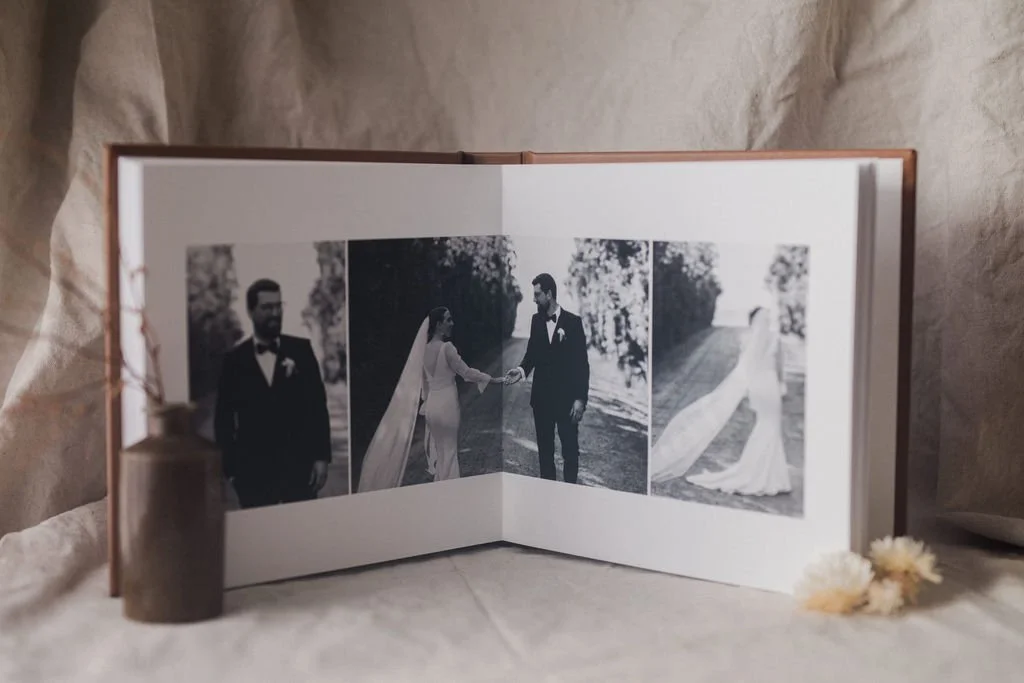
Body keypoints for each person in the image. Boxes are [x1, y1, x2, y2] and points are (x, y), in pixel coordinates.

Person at [214, 278, 332, 508]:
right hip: (252, 473)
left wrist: (321, 457)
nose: (275, 313)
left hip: (299, 469)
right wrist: (232, 471)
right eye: (267, 307)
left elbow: (317, 406)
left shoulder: (301, 351)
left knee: (302, 533)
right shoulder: (234, 361)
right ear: (251, 311)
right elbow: (224, 419)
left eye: (279, 306)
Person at [357, 306, 503, 492]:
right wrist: (492, 379)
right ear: (439, 325)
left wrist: (427, 404)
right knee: (449, 453)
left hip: (432, 407)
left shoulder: (423, 350)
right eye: (448, 320)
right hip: (447, 406)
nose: (452, 323)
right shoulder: (447, 348)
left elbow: (424, 385)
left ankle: (440, 493)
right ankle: (451, 496)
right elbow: (466, 373)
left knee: (442, 454)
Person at [650, 306, 791, 496]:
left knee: (766, 426)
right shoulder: (773, 339)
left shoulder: (749, 339)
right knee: (769, 426)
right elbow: (777, 367)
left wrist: (749, 390)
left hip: (761, 386)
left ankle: (769, 473)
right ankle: (764, 475)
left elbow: (747, 367)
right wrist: (781, 386)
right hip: (769, 387)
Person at [505, 273, 590, 483]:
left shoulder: (573, 323)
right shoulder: (535, 321)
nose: (534, 299)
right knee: (545, 455)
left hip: (567, 402)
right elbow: (531, 354)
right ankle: (548, 500)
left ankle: (569, 496)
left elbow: (582, 365)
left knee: (570, 453)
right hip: (542, 401)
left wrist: (580, 399)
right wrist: (521, 370)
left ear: (549, 294)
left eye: (537, 294)